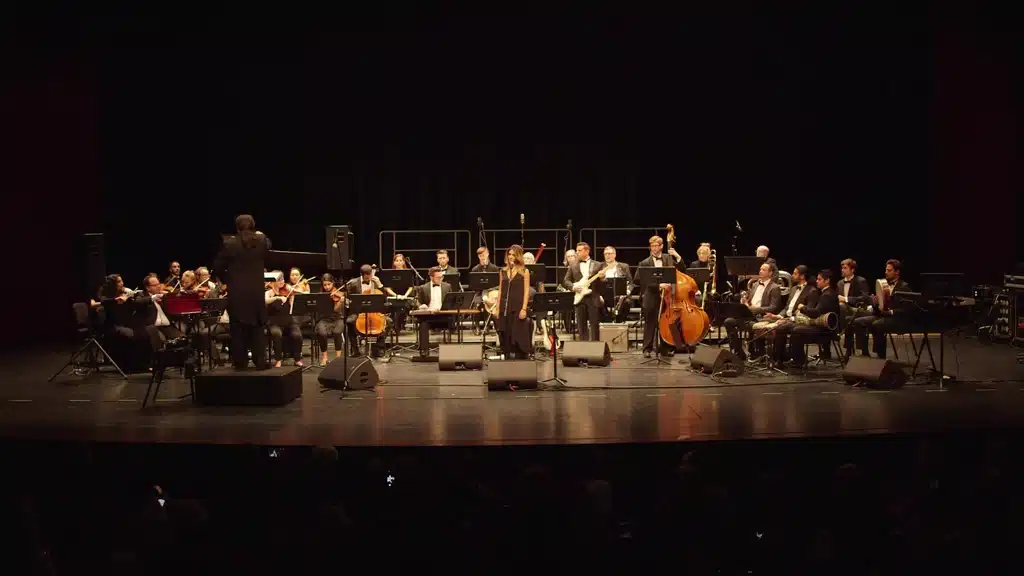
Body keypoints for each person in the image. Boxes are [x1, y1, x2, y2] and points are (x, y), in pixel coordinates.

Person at [213, 214, 271, 370]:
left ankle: (240, 362)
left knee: (238, 327)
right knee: (258, 326)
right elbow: (269, 253)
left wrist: (228, 280)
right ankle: (260, 361)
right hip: (256, 291)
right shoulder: (262, 241)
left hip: (237, 292)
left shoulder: (230, 243)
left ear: (237, 227)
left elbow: (218, 267)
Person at [562, 242, 606, 341]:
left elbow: (602, 284)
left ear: (587, 251)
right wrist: (573, 287)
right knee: (581, 326)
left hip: (593, 298)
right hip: (579, 298)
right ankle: (583, 347)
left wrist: (603, 278)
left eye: (579, 250)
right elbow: (566, 280)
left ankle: (595, 348)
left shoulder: (598, 264)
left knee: (594, 325)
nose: (576, 252)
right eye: (576, 250)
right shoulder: (573, 265)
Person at [494, 245, 532, 359]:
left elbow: (526, 291)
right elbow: (501, 290)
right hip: (505, 306)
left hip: (517, 306)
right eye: (509, 254)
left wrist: (524, 308)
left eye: (513, 254)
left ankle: (521, 355)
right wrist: (497, 308)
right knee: (504, 332)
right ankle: (506, 354)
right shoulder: (503, 271)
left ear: (518, 256)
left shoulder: (524, 271)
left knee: (518, 332)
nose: (510, 256)